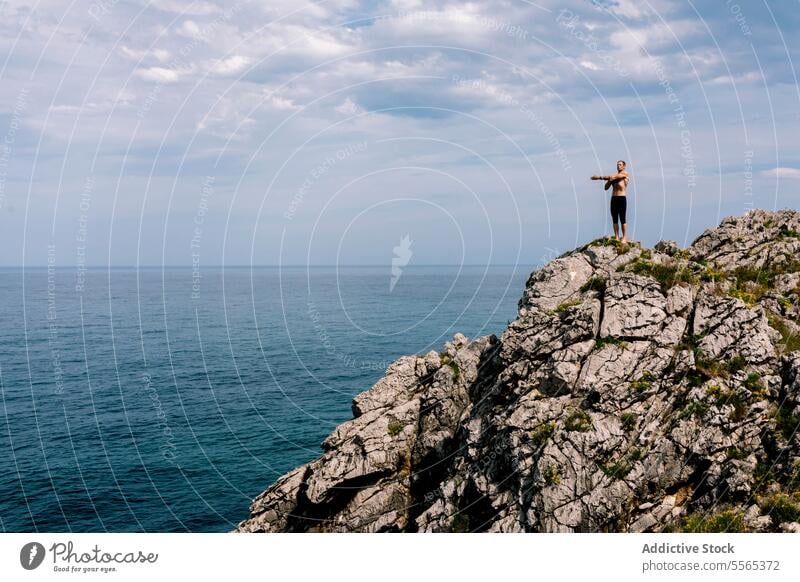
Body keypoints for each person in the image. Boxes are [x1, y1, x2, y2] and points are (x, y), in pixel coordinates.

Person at [591, 160, 629, 245]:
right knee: (614, 218)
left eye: (620, 165)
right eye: (617, 165)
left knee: (622, 218)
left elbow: (615, 177)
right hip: (614, 198)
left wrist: (598, 177)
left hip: (621, 198)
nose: (618, 166)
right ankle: (616, 236)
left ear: (624, 166)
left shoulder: (624, 174)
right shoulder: (613, 177)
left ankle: (624, 237)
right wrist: (609, 181)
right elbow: (606, 188)